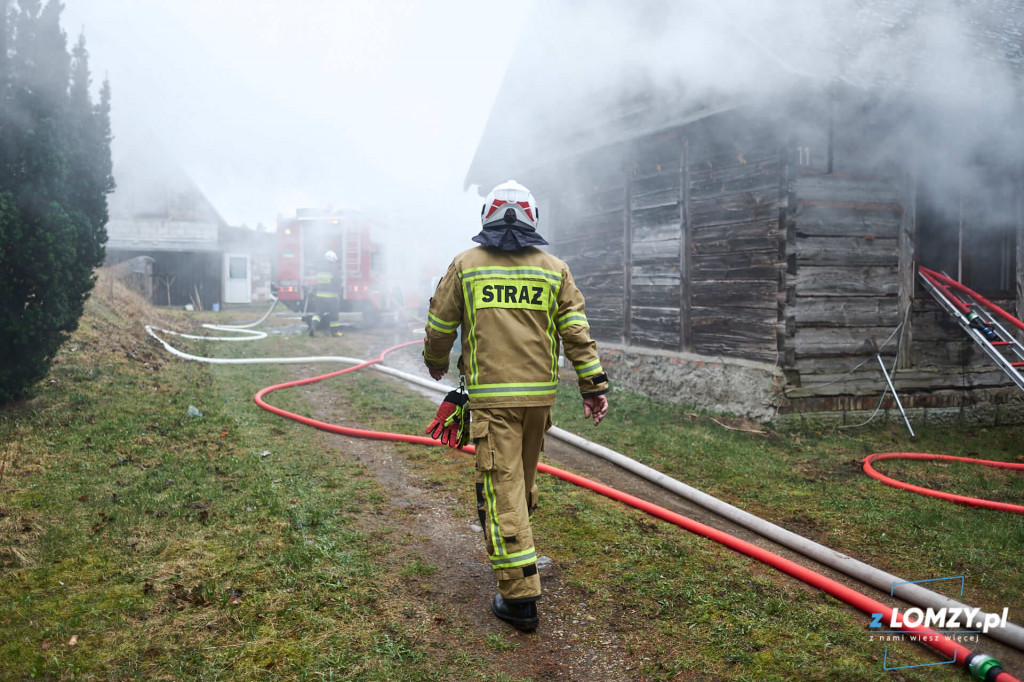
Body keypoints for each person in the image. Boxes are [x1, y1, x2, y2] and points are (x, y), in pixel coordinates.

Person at [423, 179, 609, 631]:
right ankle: (519, 555)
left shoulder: (466, 265)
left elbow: (441, 322)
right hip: (538, 401)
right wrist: (592, 385)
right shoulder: (553, 269)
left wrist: (434, 360)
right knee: (521, 482)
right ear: (533, 218)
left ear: (486, 215)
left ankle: (520, 596)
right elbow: (576, 333)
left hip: (493, 400)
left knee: (501, 485)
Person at [308, 250, 343, 337]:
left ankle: (313, 325)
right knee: (334, 315)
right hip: (332, 297)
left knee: (318, 313)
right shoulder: (333, 270)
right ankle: (334, 332)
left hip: (320, 296)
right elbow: (338, 281)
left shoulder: (319, 269)